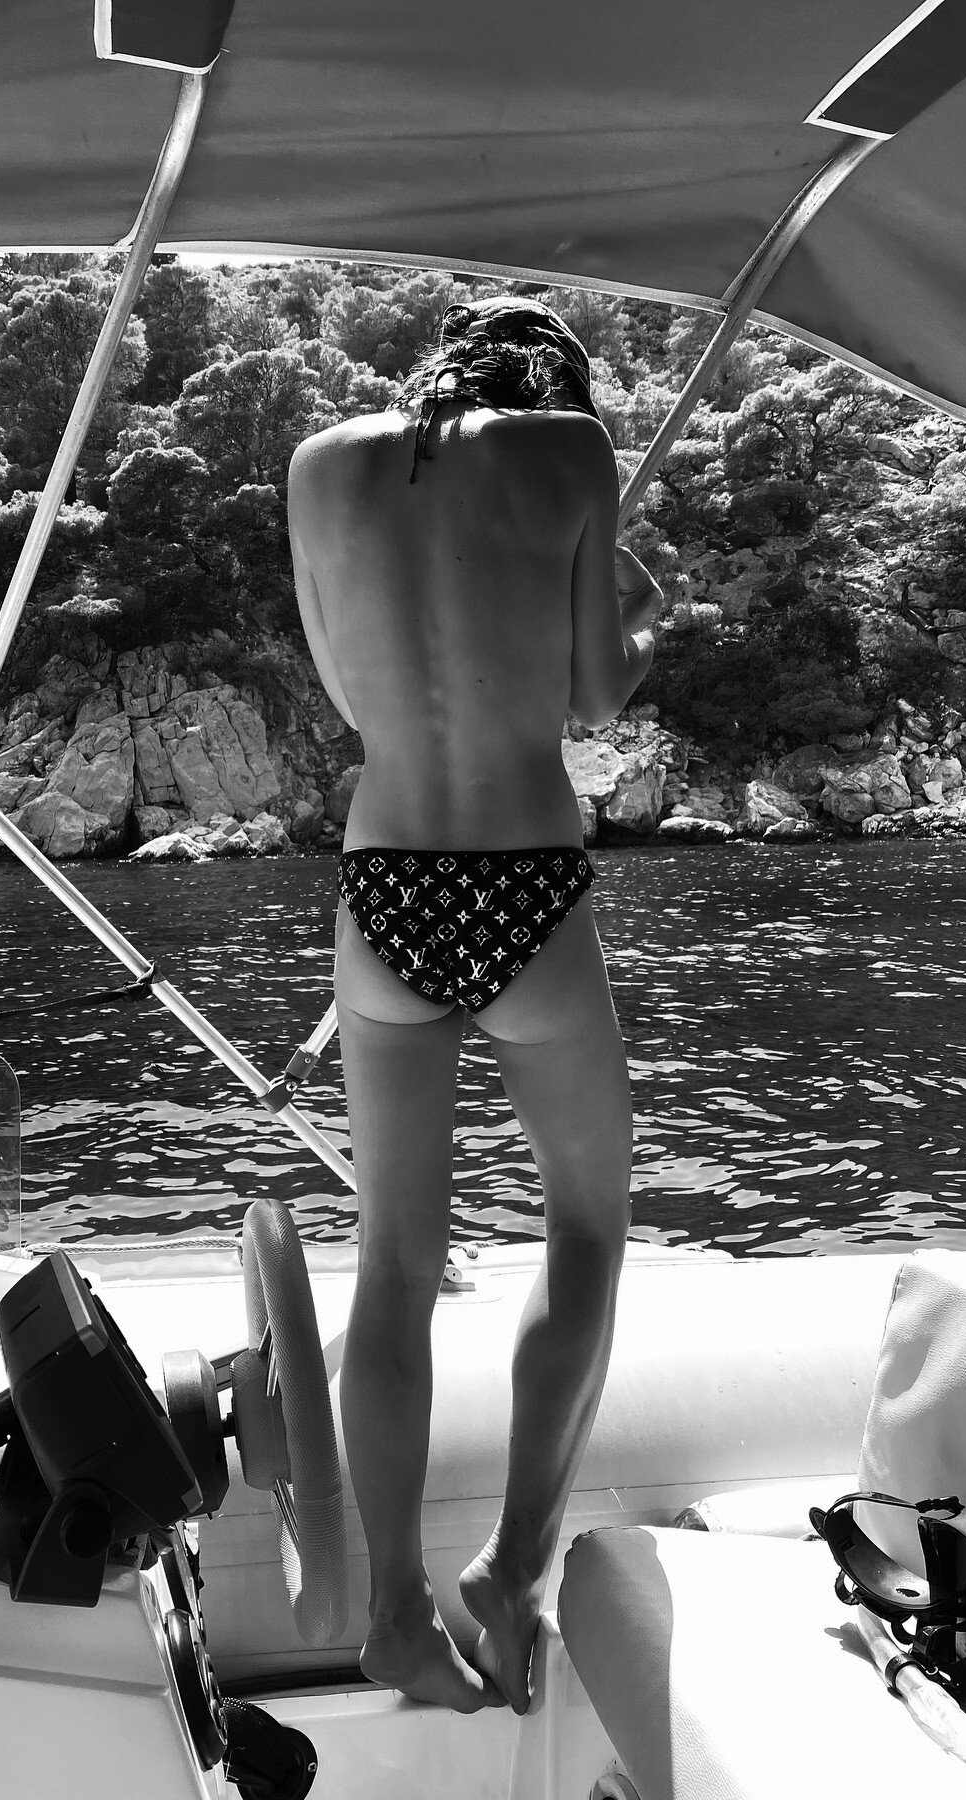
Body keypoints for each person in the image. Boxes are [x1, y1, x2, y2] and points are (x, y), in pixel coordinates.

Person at [286, 296, 663, 1716]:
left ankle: (395, 1612)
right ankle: (511, 1567)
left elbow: (348, 693)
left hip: (387, 882)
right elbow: (598, 695)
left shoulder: (320, 464)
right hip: (526, 883)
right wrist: (650, 616)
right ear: (557, 380)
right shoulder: (572, 451)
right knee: (586, 1231)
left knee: (394, 1267)